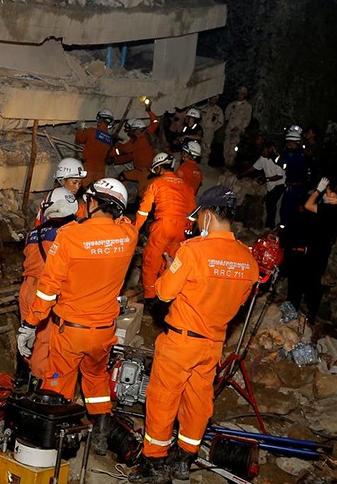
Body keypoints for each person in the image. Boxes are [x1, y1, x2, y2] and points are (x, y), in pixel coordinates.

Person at [131, 186, 257, 483]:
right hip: (212, 344)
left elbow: (163, 292)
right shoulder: (247, 260)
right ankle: (184, 458)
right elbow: (238, 303)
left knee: (163, 399)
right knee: (199, 403)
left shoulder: (193, 251)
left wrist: (169, 268)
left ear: (209, 215)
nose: (197, 223)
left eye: (199, 217)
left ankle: (154, 461)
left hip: (181, 341)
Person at [20, 178, 138, 456]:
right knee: (96, 378)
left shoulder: (70, 236)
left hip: (70, 331)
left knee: (58, 382)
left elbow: (48, 291)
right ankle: (100, 430)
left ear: (93, 203)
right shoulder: (128, 236)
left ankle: (57, 443)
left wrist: (30, 323)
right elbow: (126, 223)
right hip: (104, 331)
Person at [17, 187, 80, 383]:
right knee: (44, 344)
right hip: (46, 292)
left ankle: (21, 376)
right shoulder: (69, 233)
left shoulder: (33, 232)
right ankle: (38, 389)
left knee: (27, 336)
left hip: (27, 289)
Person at [135, 153, 196, 306]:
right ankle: (166, 296)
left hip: (164, 226)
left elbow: (144, 210)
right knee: (171, 263)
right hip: (182, 228)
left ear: (159, 168)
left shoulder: (157, 183)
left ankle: (150, 298)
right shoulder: (186, 186)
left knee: (151, 261)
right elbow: (193, 212)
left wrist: (134, 229)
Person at [286, 178, 337, 326]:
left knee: (306, 284)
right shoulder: (333, 210)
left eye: (329, 191)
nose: (326, 193)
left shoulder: (330, 210)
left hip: (315, 253)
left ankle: (298, 314)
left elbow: (308, 205)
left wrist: (317, 190)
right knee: (310, 284)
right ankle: (308, 315)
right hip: (320, 253)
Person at [240, 140, 286, 229]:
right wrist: (242, 174)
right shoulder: (263, 158)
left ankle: (270, 225)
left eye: (264, 150)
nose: (262, 152)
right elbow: (254, 168)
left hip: (280, 184)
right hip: (271, 185)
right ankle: (268, 225)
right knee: (269, 204)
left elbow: (279, 176)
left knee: (271, 203)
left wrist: (266, 179)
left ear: (270, 149)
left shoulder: (278, 159)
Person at [112, 111, 159, 197]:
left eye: (133, 130)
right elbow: (155, 121)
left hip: (143, 171)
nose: (132, 133)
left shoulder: (139, 140)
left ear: (138, 129)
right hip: (146, 170)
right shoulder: (147, 134)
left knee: (142, 192)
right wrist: (149, 110)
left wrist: (116, 143)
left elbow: (126, 149)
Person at [75, 109, 115, 185]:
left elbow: (80, 139)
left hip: (88, 169)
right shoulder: (110, 140)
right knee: (95, 192)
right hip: (100, 172)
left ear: (99, 119)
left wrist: (80, 128)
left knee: (83, 190)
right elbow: (112, 154)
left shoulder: (92, 131)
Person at [279, 128, 308, 227]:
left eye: (290, 143)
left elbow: (281, 161)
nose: (288, 145)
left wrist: (272, 153)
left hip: (296, 189)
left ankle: (286, 233)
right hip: (293, 187)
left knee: (288, 212)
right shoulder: (299, 154)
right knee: (287, 212)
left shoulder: (295, 155)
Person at [224, 87, 253, 167]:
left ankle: (230, 164)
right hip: (229, 129)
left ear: (245, 95)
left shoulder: (247, 107)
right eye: (239, 93)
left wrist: (240, 127)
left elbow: (247, 119)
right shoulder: (232, 104)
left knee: (233, 149)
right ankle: (225, 163)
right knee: (226, 147)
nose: (240, 95)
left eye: (242, 94)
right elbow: (226, 115)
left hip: (237, 130)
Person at [200, 96, 224, 165]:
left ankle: (203, 165)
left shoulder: (218, 110)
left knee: (206, 149)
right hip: (200, 130)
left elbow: (220, 122)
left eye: (215, 100)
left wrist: (212, 128)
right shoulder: (203, 107)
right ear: (209, 99)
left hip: (209, 132)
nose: (213, 101)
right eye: (212, 99)